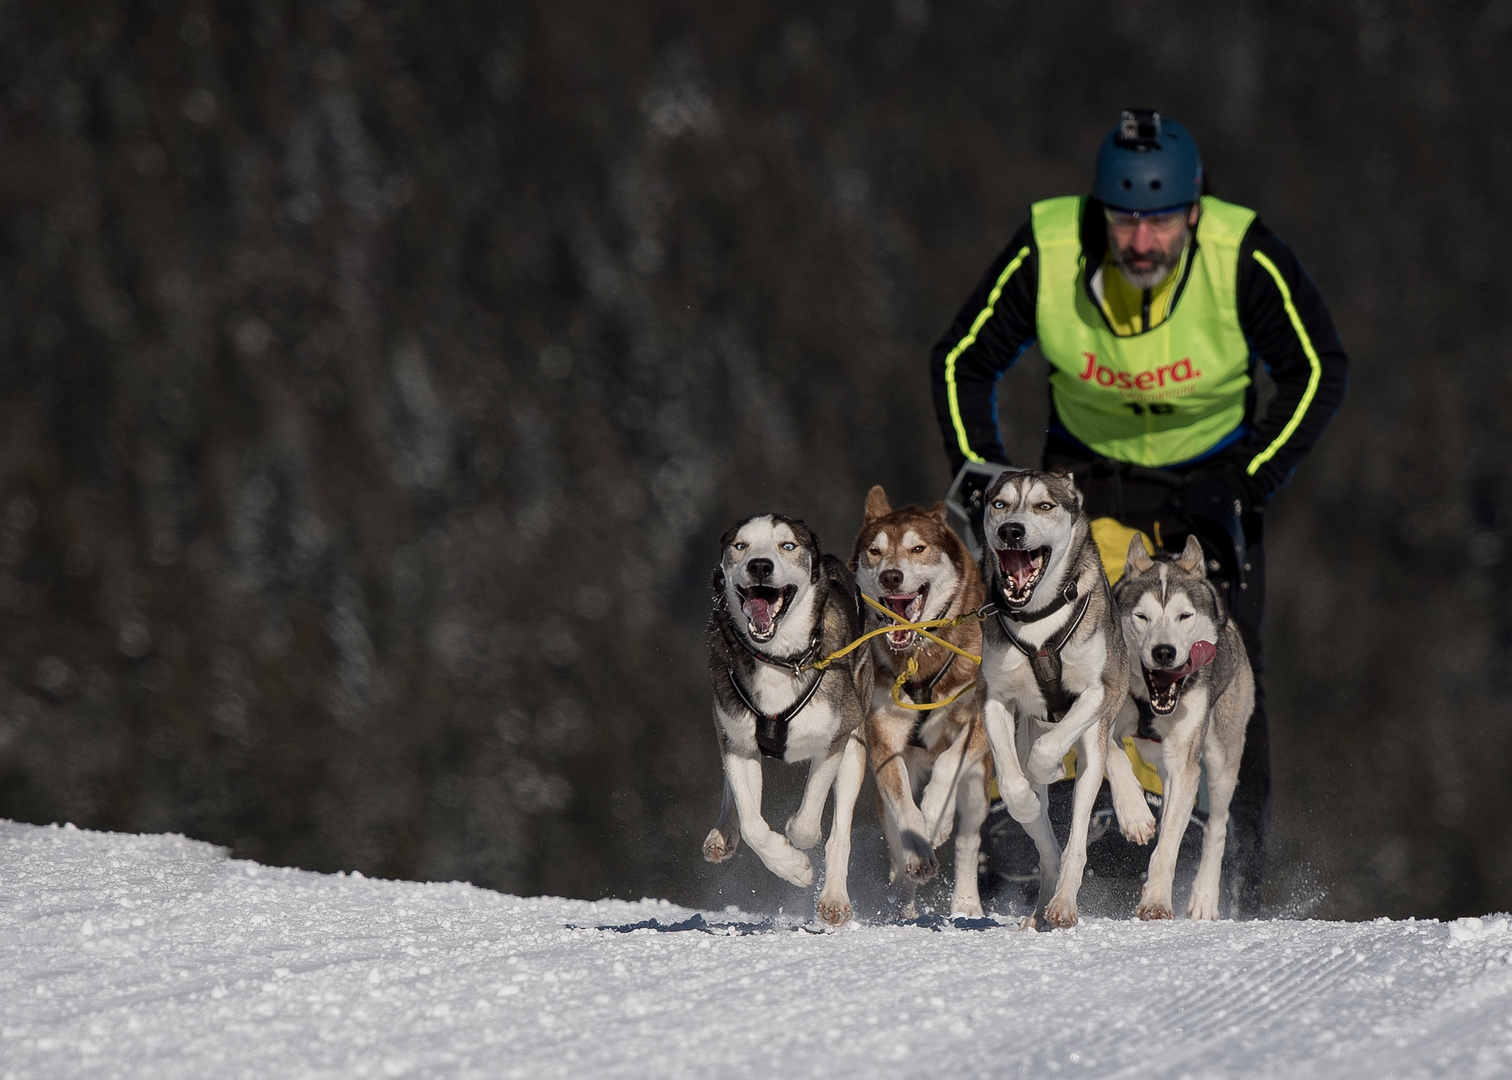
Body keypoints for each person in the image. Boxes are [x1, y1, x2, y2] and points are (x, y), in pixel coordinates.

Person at [929, 108, 1347, 917]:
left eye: (1160, 224)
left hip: (1208, 491)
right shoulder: (1053, 246)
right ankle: (1007, 858)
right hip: (1084, 488)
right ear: (1101, 213)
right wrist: (982, 479)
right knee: (1036, 653)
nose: (1142, 244)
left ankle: (1227, 882)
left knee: (1223, 667)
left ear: (1193, 211)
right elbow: (961, 360)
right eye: (1125, 223)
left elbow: (1317, 368)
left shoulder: (1240, 255)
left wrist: (1247, 478)